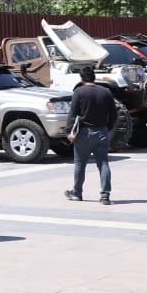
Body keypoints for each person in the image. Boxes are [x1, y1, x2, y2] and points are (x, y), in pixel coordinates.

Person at [64, 66, 116, 204]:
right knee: (103, 163)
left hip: (83, 133)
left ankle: (77, 193)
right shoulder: (106, 92)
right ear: (94, 77)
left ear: (81, 79)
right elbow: (114, 114)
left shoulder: (79, 92)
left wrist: (69, 131)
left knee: (80, 164)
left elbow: (73, 113)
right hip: (102, 132)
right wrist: (107, 128)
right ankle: (105, 195)